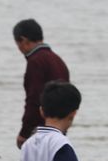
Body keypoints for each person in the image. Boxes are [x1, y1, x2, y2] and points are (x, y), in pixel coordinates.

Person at [13, 19, 69, 149]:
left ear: (23, 40)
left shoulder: (35, 62)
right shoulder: (57, 59)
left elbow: (34, 100)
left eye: (17, 43)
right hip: (60, 128)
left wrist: (24, 132)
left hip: (40, 129)